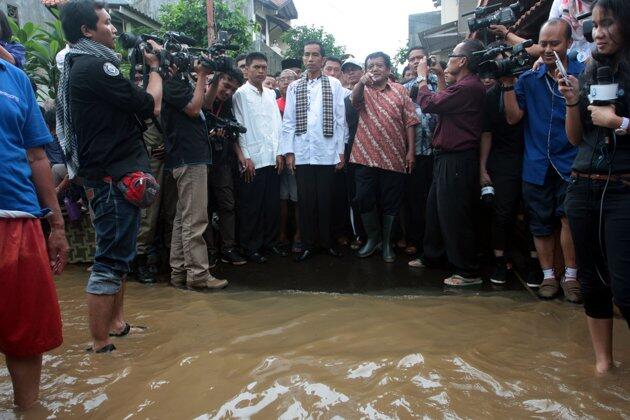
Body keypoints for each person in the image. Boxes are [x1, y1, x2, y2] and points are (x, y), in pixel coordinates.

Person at [58, 0, 162, 352]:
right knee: (109, 261)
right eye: (106, 22)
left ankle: (116, 325)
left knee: (119, 256)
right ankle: (99, 346)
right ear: (87, 30)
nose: (114, 29)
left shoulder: (81, 64)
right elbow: (149, 105)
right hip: (112, 178)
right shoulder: (95, 65)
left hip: (111, 175)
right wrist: (157, 69)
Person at [558, 0, 629, 373]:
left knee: (626, 287)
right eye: (595, 25)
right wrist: (573, 101)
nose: (598, 33)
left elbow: (614, 124)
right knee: (592, 282)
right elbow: (575, 140)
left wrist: (619, 122)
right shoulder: (588, 73)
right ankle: (604, 366)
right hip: (583, 186)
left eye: (608, 24)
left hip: (622, 189)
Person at [0, 59, 68, 410]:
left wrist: (56, 225)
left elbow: (36, 155)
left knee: (25, 335)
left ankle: (28, 412)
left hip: (18, 217)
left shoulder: (15, 78)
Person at [503, 18, 583, 302]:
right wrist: (507, 86)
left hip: (571, 162)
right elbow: (513, 118)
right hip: (535, 162)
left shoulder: (582, 74)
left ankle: (572, 277)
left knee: (569, 219)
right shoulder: (527, 79)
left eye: (555, 43)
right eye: (544, 44)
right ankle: (549, 275)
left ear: (569, 44)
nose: (548, 49)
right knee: (540, 222)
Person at [414, 39, 487, 286]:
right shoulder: (463, 85)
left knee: (455, 214)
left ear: (463, 60)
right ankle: (433, 256)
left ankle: (467, 272)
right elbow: (444, 100)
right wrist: (439, 76)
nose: (450, 59)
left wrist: (422, 78)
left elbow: (429, 104)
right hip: (446, 158)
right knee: (435, 209)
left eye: (453, 54)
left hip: (457, 159)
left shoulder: (468, 87)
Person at [162, 55, 228, 290]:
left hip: (190, 157)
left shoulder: (179, 83)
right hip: (188, 158)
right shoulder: (170, 83)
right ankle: (198, 275)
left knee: (183, 218)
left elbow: (206, 105)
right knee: (195, 219)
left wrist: (215, 75)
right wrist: (201, 76)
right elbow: (193, 109)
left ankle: (180, 272)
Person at [350, 52, 419, 262]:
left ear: (388, 70)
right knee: (363, 197)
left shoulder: (400, 91)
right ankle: (373, 240)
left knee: (392, 201)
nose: (375, 69)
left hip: (394, 155)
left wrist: (411, 151)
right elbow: (353, 101)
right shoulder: (363, 90)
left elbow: (410, 121)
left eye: (379, 65)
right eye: (370, 65)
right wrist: (361, 83)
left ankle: (387, 243)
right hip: (364, 154)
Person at [281, 40, 346, 262]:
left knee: (326, 199)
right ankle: (308, 243)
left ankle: (327, 243)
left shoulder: (334, 84)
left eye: (315, 55)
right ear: (303, 57)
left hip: (327, 152)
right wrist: (289, 151)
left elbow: (340, 120)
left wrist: (340, 152)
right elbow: (288, 121)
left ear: (322, 58)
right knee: (306, 201)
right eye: (307, 54)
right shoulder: (294, 86)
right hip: (302, 152)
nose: (310, 59)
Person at [233, 52, 286, 263]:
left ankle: (269, 243)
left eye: (264, 67)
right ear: (246, 69)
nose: (261, 71)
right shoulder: (240, 94)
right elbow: (239, 127)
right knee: (251, 206)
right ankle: (250, 246)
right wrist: (245, 157)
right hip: (252, 159)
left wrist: (280, 152)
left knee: (271, 204)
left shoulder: (271, 94)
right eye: (256, 67)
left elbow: (277, 126)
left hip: (272, 157)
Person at [479, 45, 525, 285]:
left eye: (506, 62)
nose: (502, 67)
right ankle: (500, 260)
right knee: (502, 212)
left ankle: (534, 263)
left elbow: (515, 116)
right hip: (502, 157)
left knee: (532, 212)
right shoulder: (490, 94)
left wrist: (511, 84)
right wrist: (483, 167)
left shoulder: (527, 82)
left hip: (531, 153)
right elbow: (486, 132)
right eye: (498, 64)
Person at [403, 46, 442, 261]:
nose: (416, 62)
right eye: (412, 59)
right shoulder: (403, 89)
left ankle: (436, 243)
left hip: (438, 152)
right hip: (414, 152)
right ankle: (415, 241)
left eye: (420, 58)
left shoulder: (441, 84)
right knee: (415, 200)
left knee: (437, 201)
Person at [205, 68, 247, 266]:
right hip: (200, 161)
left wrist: (240, 156)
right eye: (226, 86)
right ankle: (209, 250)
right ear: (216, 80)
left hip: (222, 160)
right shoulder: (200, 95)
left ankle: (228, 248)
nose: (228, 92)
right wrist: (209, 134)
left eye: (233, 89)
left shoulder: (229, 103)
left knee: (227, 204)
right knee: (203, 208)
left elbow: (233, 134)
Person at [324, 55, 352, 246]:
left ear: (341, 73)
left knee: (341, 194)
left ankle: (341, 232)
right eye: (329, 69)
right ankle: (324, 234)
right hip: (322, 150)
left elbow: (345, 124)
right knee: (324, 194)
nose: (332, 73)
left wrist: (341, 151)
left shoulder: (347, 94)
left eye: (336, 70)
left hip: (344, 148)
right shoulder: (313, 90)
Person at [341, 57, 366, 250]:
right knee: (354, 195)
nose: (351, 72)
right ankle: (360, 234)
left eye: (354, 69)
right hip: (350, 150)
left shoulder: (373, 93)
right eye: (347, 70)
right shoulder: (343, 99)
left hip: (374, 148)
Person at [276, 69, 302, 251]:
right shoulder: (273, 103)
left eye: (290, 79)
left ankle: (298, 235)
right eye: (282, 79)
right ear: (277, 83)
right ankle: (281, 234)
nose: (286, 82)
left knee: (297, 198)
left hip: (296, 157)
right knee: (281, 199)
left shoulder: (302, 102)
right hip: (277, 158)